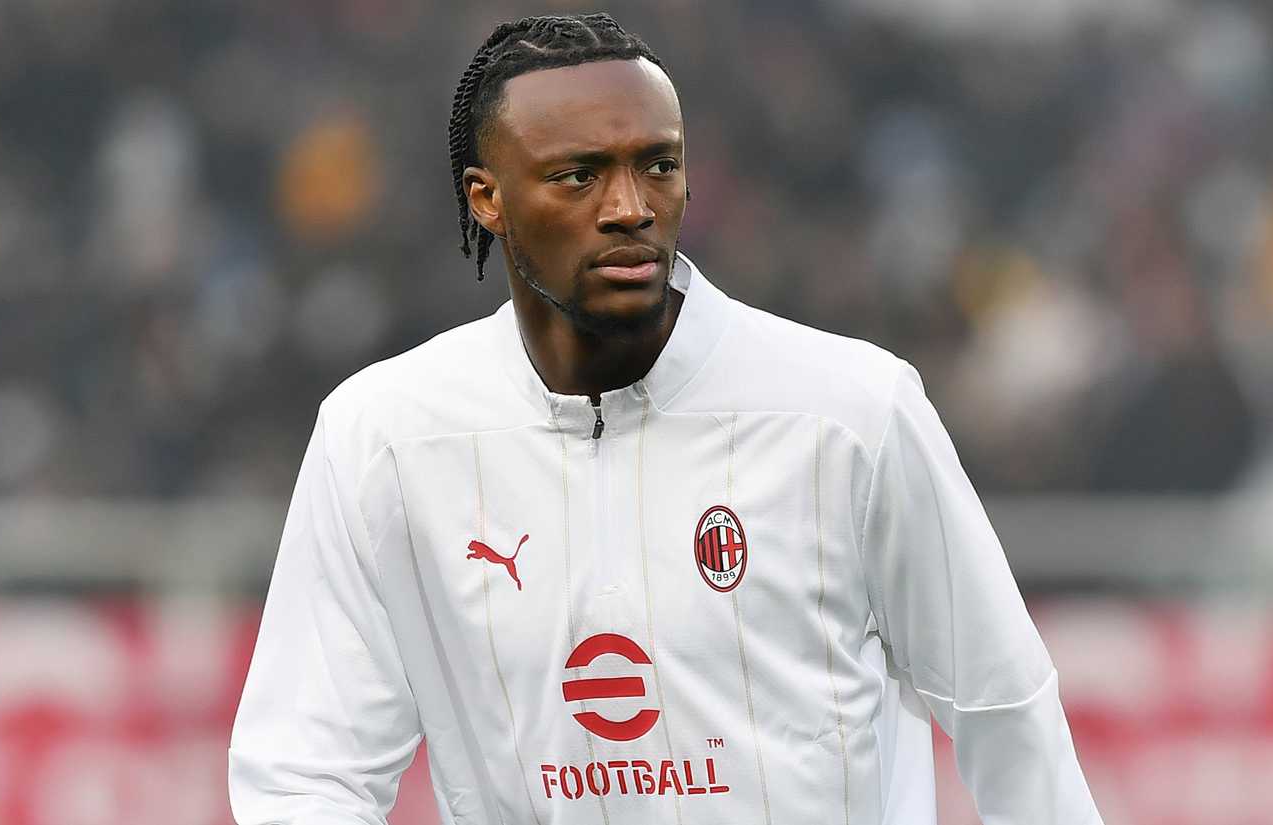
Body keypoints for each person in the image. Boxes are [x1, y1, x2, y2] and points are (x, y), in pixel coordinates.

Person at [229, 13, 1101, 825]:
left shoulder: (851, 413)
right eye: (579, 174)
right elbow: (305, 771)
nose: (631, 207)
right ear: (486, 199)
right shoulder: (386, 436)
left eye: (658, 164)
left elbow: (1007, 710)